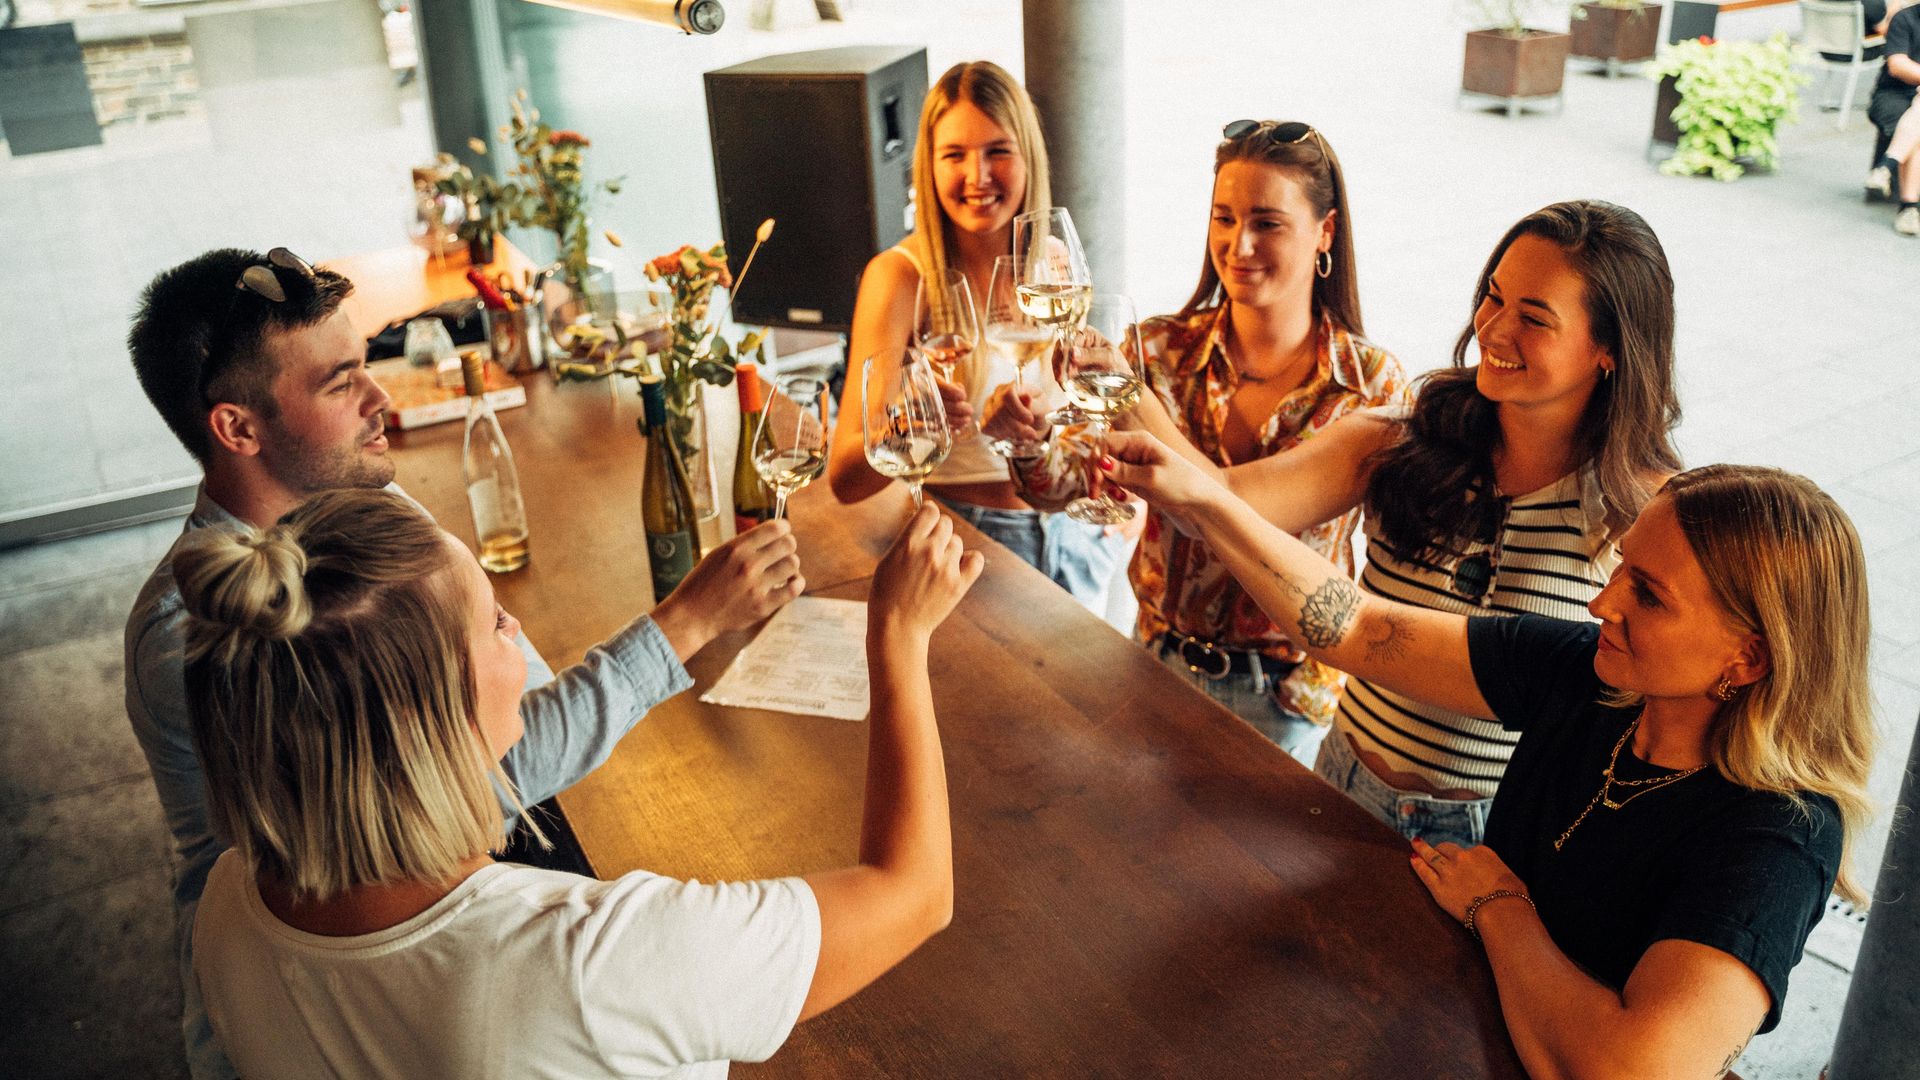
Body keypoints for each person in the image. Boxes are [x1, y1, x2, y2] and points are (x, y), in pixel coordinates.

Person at [124, 247, 804, 1077]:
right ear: (237, 428)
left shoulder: (357, 504)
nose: (380, 399)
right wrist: (685, 622)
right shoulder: (211, 628)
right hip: (309, 1003)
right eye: (341, 383)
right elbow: (485, 771)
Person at [1103, 438, 1875, 1078]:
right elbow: (1361, 632)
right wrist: (1205, 502)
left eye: (1648, 594)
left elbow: (1625, 1070)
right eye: (1620, 572)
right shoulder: (1595, 676)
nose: (1601, 604)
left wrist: (1498, 908)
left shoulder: (1779, 834)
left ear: (1749, 658)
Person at [176, 490, 981, 1077]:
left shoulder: (228, 904)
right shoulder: (584, 963)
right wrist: (900, 637)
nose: (516, 630)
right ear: (433, 719)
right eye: (494, 621)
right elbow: (916, 894)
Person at [1111, 201, 1679, 845]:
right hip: (1341, 786)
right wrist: (1120, 388)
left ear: (1608, 347)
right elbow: (1226, 501)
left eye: (1533, 317)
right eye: (1492, 298)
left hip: (1493, 833)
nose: (1492, 330)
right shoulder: (1398, 440)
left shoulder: (1646, 513)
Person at [983, 119, 1405, 765]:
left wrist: (1132, 401)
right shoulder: (1155, 348)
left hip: (1285, 698)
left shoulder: (1370, 384)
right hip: (1154, 666)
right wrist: (1030, 439)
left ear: (1326, 232)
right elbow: (1075, 485)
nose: (1239, 245)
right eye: (1224, 218)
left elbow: (1231, 508)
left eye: (1267, 223)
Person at [827, 60, 1123, 613]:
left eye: (997, 151)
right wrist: (914, 427)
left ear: (1028, 156)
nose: (977, 176)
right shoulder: (899, 277)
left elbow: (1081, 413)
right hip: (973, 545)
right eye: (954, 155)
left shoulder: (1052, 259)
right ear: (928, 165)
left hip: (1075, 537)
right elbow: (844, 479)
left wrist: (1117, 502)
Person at [1866, 2, 1920, 234]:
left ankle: (1887, 166)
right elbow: (1897, 65)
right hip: (1894, 94)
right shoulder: (1905, 18)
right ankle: (1909, 206)